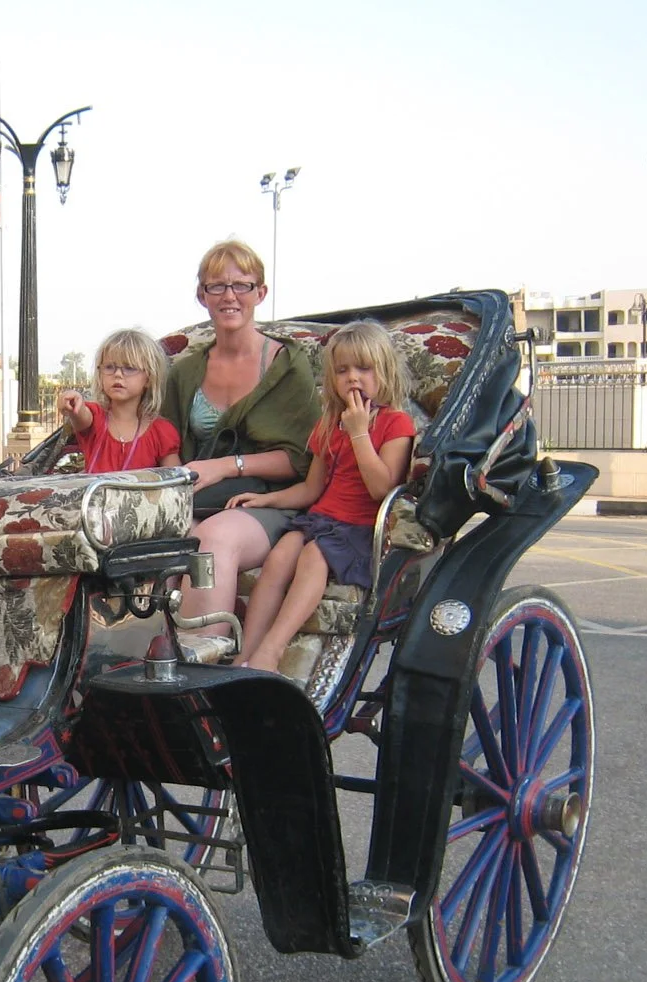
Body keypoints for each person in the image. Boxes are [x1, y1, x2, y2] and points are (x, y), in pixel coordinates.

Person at [229, 321, 415, 674]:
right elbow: (311, 490)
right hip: (322, 519)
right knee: (280, 556)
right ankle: (247, 652)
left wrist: (360, 433)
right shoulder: (329, 423)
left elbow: (382, 488)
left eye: (364, 368)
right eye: (342, 370)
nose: (353, 378)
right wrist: (266, 499)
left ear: (384, 372)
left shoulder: (396, 423)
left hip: (360, 529)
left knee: (314, 556)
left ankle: (271, 649)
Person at [159, 240, 321, 642]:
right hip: (199, 499)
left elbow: (302, 459)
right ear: (202, 296)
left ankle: (201, 673)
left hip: (270, 500)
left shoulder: (287, 366)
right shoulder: (186, 372)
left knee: (213, 542)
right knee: (149, 542)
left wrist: (227, 466)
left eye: (242, 285)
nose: (230, 296)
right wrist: (178, 477)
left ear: (259, 293)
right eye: (217, 286)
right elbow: (167, 442)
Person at [54, 328, 181, 474]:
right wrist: (71, 400)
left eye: (129, 368)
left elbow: (175, 481)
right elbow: (81, 414)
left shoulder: (162, 432)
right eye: (109, 367)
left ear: (149, 378)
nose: (118, 374)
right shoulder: (96, 418)